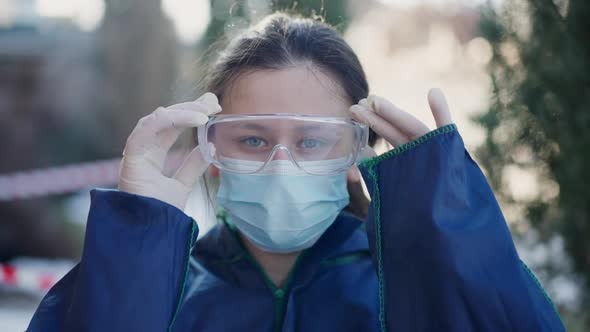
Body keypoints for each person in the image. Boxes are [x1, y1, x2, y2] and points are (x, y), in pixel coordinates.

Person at [28, 12, 565, 332]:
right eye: (253, 139)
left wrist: (452, 233)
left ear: (357, 154)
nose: (282, 166)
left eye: (312, 141)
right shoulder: (160, 290)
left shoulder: (406, 284)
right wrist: (137, 245)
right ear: (210, 151)